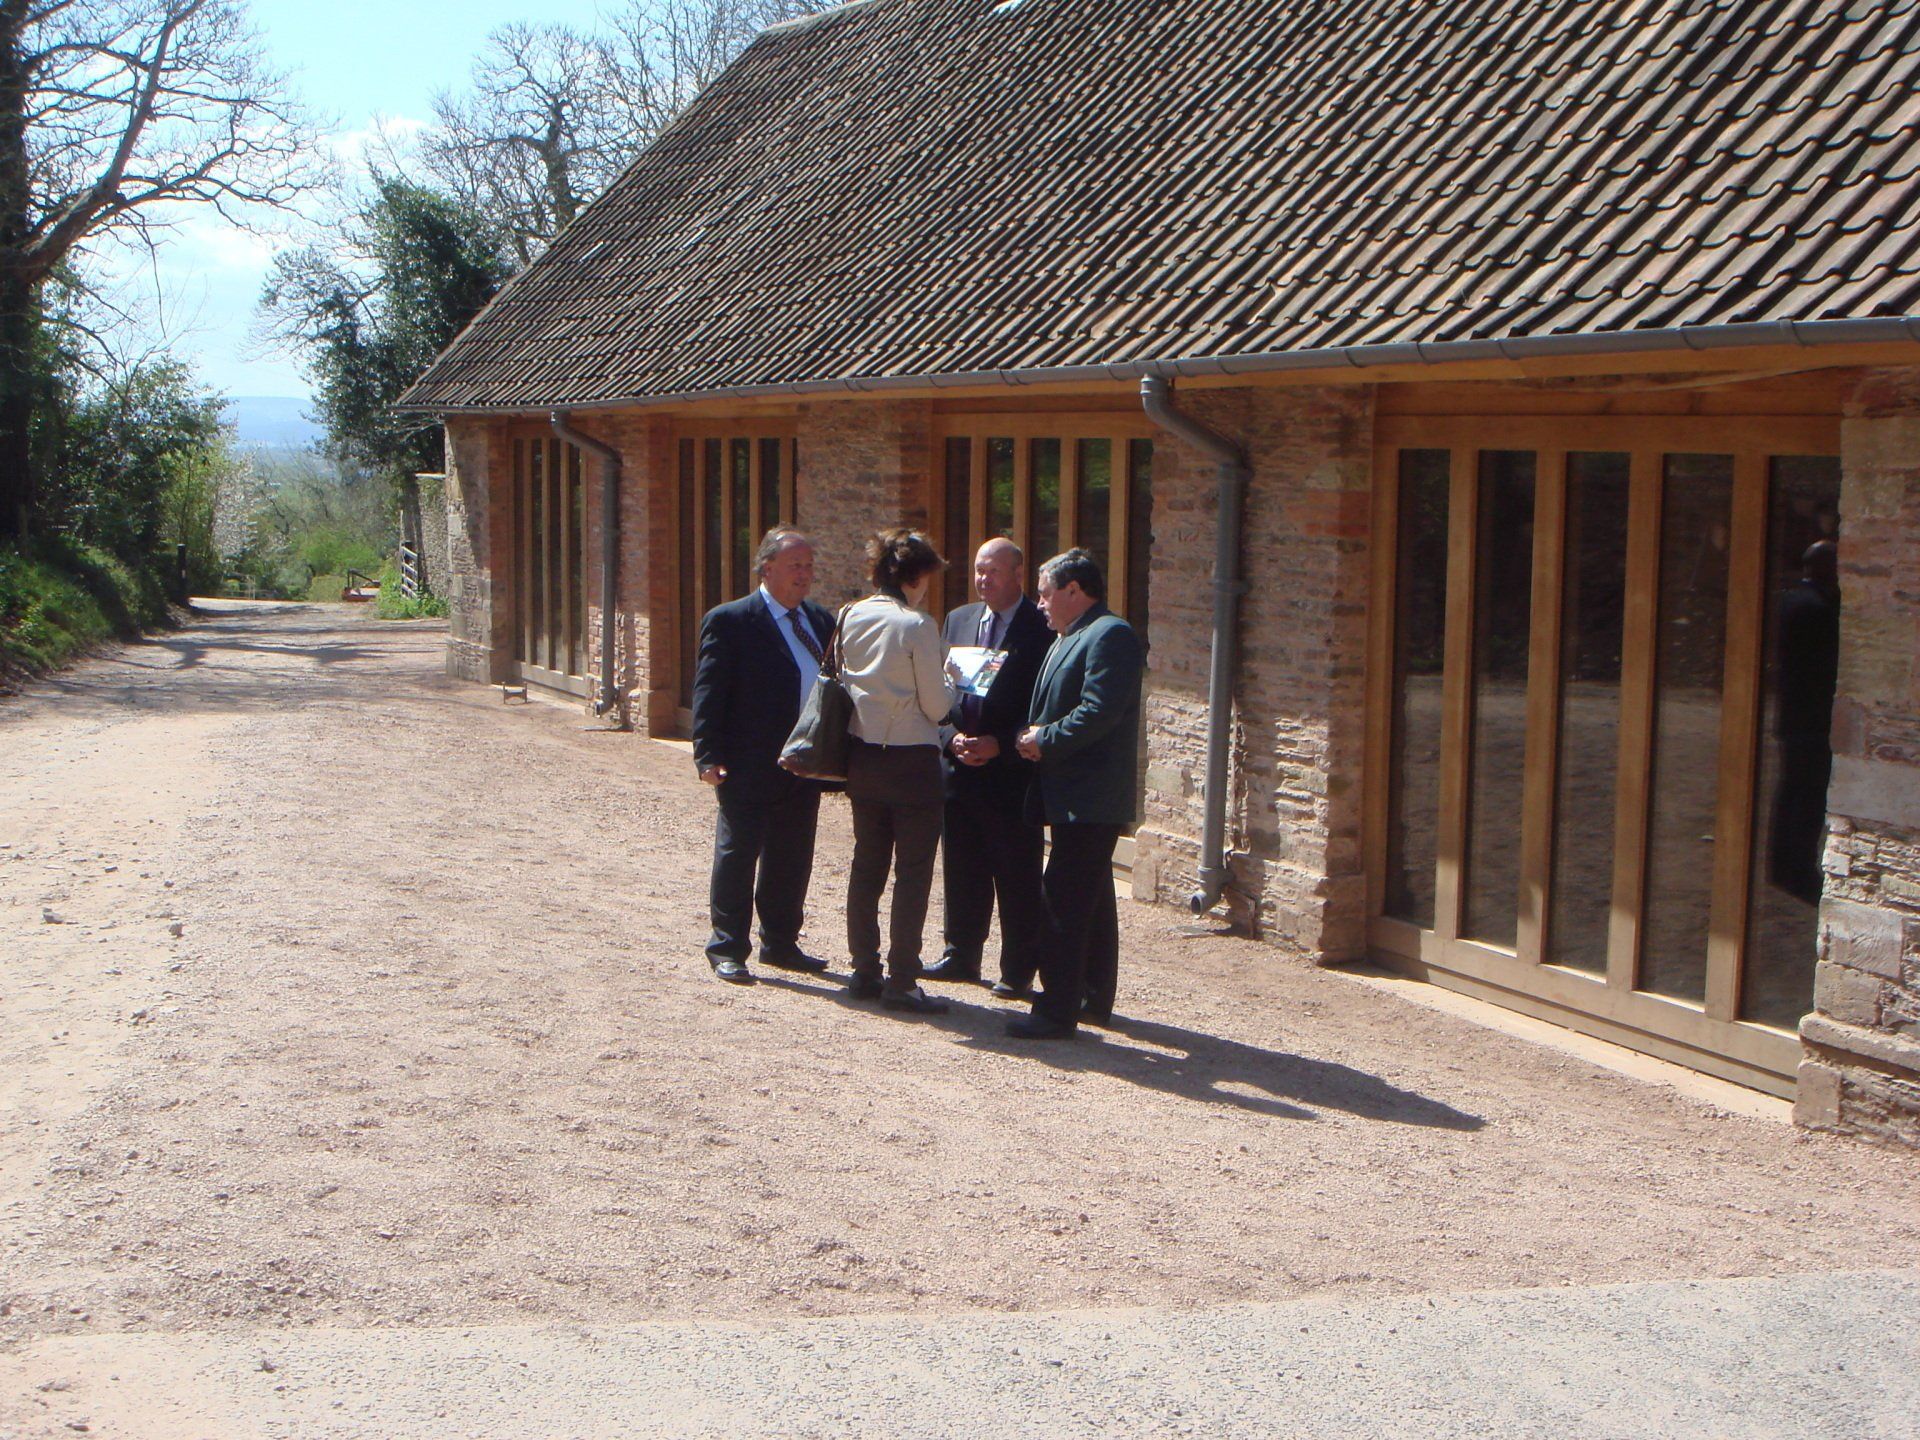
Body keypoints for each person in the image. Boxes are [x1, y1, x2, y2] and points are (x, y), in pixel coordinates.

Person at [1007, 547, 1144, 1040]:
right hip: (1068, 793)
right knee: (1092, 898)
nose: (1039, 603)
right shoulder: (1070, 635)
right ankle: (1091, 996)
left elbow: (1099, 711)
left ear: (1073, 590)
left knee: (1063, 900)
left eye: (1045, 593)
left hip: (1091, 795)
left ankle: (1056, 1010)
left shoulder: (1110, 635)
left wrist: (1044, 738)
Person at [691, 526, 837, 984]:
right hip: (749, 760)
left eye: (809, 566)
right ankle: (727, 947)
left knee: (791, 856)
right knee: (738, 854)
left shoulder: (819, 620)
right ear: (767, 568)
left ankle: (781, 942)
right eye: (795, 565)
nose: (804, 574)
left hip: (803, 762)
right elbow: (709, 691)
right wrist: (707, 754)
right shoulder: (732, 620)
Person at [923, 537, 1052, 997]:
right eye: (979, 570)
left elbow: (1044, 703)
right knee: (962, 867)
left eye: (993, 571)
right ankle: (960, 954)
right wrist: (950, 739)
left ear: (1018, 574)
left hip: (1010, 774)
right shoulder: (958, 620)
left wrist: (1002, 744)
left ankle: (1018, 969)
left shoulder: (1041, 627)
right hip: (960, 770)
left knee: (1016, 874)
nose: (983, 579)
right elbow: (940, 696)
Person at [837, 529, 959, 1014]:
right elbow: (936, 706)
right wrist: (952, 683)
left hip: (864, 755)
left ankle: (863, 969)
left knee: (867, 865)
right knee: (912, 873)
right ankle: (903, 978)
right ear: (917, 576)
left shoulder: (851, 614)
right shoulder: (917, 626)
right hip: (911, 761)